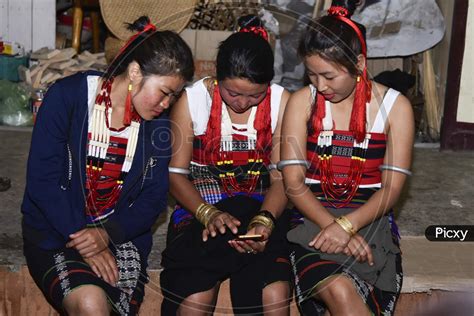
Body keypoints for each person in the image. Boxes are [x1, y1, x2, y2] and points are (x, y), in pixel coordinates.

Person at [21, 16, 194, 315]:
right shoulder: (67, 98)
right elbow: (43, 182)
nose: (167, 104)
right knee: (90, 302)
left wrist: (105, 235)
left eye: (174, 96)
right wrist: (87, 240)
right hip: (58, 231)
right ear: (136, 72)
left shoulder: (158, 127)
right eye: (165, 92)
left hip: (120, 236)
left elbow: (154, 199)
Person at [280, 1, 414, 315]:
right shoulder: (302, 103)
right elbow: (294, 183)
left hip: (371, 219)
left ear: (359, 63)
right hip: (312, 219)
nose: (320, 85)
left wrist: (348, 226)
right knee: (337, 288)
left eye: (328, 75)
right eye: (311, 75)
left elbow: (391, 189)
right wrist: (334, 227)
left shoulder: (395, 107)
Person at [160, 15, 292, 315]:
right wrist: (208, 213)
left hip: (262, 208)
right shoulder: (192, 101)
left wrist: (265, 221)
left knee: (273, 293)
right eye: (233, 93)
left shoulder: (281, 102)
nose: (243, 103)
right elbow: (176, 175)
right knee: (195, 297)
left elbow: (281, 179)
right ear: (217, 77)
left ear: (268, 85)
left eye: (255, 95)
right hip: (201, 206)